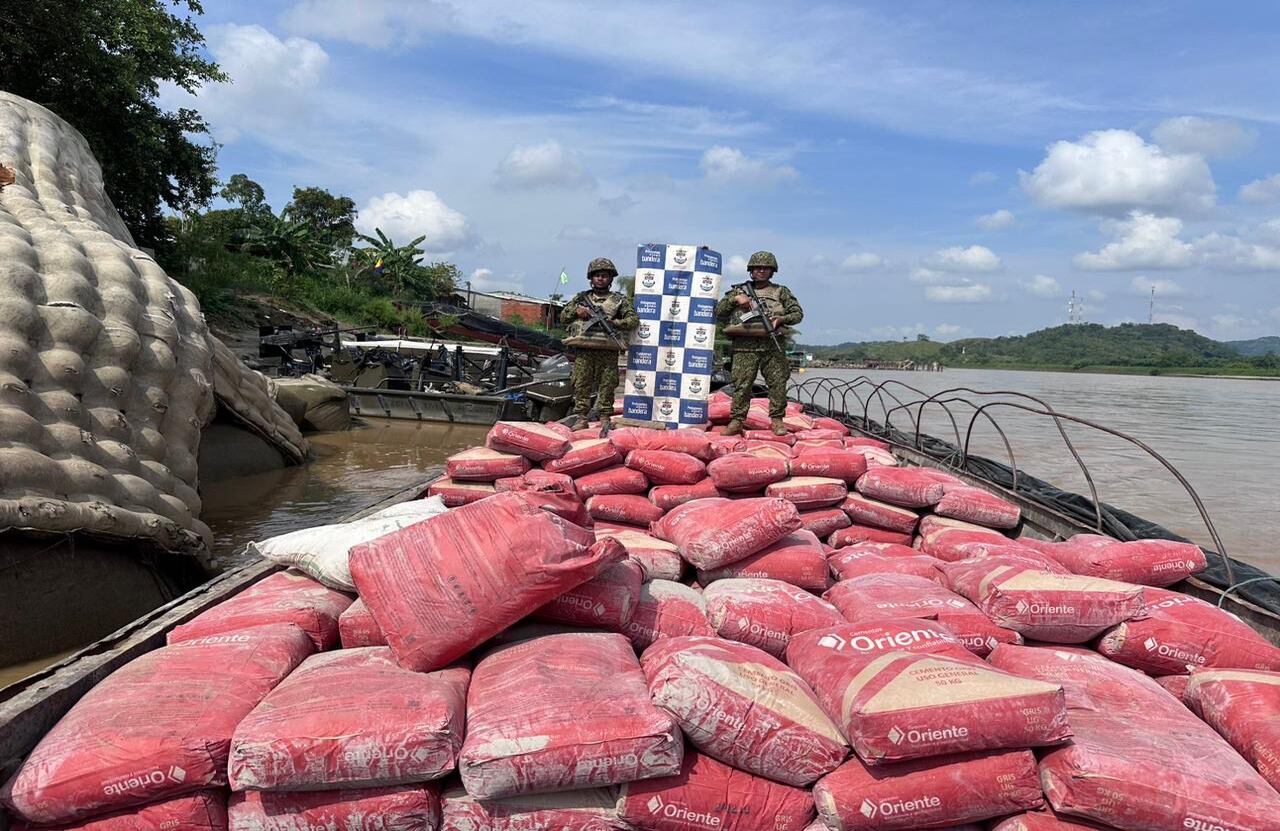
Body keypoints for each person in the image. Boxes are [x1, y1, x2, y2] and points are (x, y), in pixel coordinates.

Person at [715, 250, 803, 436]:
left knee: (778, 383)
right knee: (742, 385)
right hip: (744, 346)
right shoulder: (738, 291)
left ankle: (777, 420)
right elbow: (719, 311)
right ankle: (737, 421)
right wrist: (735, 299)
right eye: (757, 268)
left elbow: (797, 314)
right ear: (751, 270)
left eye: (766, 268)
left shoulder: (781, 291)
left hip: (772, 345)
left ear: (772, 271)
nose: (761, 271)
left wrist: (781, 319)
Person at [559, 257, 639, 429]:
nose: (601, 279)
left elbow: (633, 320)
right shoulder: (582, 298)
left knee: (608, 384)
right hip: (585, 350)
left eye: (605, 276)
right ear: (591, 278)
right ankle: (582, 418)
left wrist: (614, 322)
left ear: (610, 279)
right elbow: (563, 316)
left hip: (607, 350)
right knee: (581, 383)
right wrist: (577, 311)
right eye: (597, 275)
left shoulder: (618, 300)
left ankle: (604, 418)